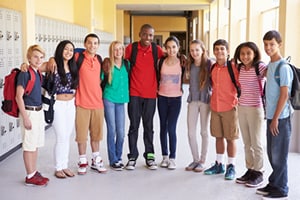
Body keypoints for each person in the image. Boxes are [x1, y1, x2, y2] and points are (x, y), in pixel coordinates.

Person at [48, 33, 107, 175]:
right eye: (89, 43)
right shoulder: (77, 57)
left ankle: (96, 159)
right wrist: (51, 59)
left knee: (96, 135)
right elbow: (63, 54)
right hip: (81, 103)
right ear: (85, 44)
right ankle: (82, 160)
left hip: (98, 103)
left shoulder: (99, 59)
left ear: (98, 45)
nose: (92, 46)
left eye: (95, 43)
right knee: (81, 135)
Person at [256, 30, 292, 199]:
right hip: (271, 116)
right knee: (272, 153)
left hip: (281, 118)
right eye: (266, 44)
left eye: (272, 44)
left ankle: (281, 188)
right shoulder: (271, 65)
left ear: (280, 44)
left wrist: (276, 118)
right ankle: (274, 182)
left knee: (279, 154)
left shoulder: (283, 67)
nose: (268, 47)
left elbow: (284, 95)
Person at [124, 24, 164, 170]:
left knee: (149, 126)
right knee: (134, 126)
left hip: (150, 94)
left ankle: (150, 156)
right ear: (140, 34)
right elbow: (119, 59)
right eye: (145, 34)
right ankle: (132, 156)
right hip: (134, 93)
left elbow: (169, 56)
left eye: (151, 35)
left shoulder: (156, 50)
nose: (148, 38)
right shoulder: (131, 49)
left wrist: (182, 57)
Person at [203, 39, 239, 180]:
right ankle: (219, 164)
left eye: (222, 49)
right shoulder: (213, 67)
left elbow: (240, 83)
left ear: (228, 51)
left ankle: (231, 166)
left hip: (230, 107)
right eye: (217, 49)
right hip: (215, 107)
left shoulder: (233, 67)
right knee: (218, 137)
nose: (219, 51)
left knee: (231, 138)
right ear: (213, 51)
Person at [233, 42, 266, 187]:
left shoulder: (260, 67)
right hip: (242, 107)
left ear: (254, 54)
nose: (245, 56)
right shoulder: (239, 68)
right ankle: (250, 169)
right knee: (247, 143)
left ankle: (259, 172)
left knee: (256, 143)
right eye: (242, 53)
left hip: (256, 109)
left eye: (248, 53)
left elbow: (272, 73)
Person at [15, 44, 49, 186]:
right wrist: (26, 117)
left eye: (41, 57)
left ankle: (34, 172)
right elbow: (18, 97)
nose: (38, 60)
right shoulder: (25, 73)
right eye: (35, 57)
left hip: (38, 111)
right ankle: (29, 176)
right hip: (29, 112)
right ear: (29, 58)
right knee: (29, 145)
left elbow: (52, 63)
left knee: (34, 145)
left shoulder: (37, 72)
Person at [51, 40, 79, 178]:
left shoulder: (73, 66)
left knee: (67, 136)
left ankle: (65, 165)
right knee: (61, 136)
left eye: (71, 50)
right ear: (60, 50)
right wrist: (24, 65)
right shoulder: (54, 65)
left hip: (70, 104)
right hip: (58, 105)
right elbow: (36, 66)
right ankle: (58, 167)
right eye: (66, 49)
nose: (69, 52)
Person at [184, 39, 212, 172]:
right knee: (190, 132)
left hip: (205, 100)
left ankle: (202, 160)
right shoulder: (189, 64)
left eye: (197, 50)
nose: (194, 52)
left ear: (202, 50)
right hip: (193, 100)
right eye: (192, 50)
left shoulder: (209, 64)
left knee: (204, 131)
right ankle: (195, 159)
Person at [102, 41, 130, 171]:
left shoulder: (127, 64)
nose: (118, 52)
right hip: (109, 98)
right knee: (111, 130)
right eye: (115, 49)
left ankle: (119, 157)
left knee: (121, 132)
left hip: (121, 100)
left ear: (123, 51)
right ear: (111, 51)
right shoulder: (108, 64)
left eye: (120, 49)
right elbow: (99, 81)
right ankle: (113, 159)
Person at [157, 36, 184, 170]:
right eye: (168, 47)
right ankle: (164, 156)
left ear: (178, 48)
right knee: (163, 126)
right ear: (165, 49)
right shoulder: (161, 62)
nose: (171, 50)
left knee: (171, 127)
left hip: (175, 99)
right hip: (162, 97)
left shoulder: (183, 62)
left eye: (174, 47)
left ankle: (173, 157)